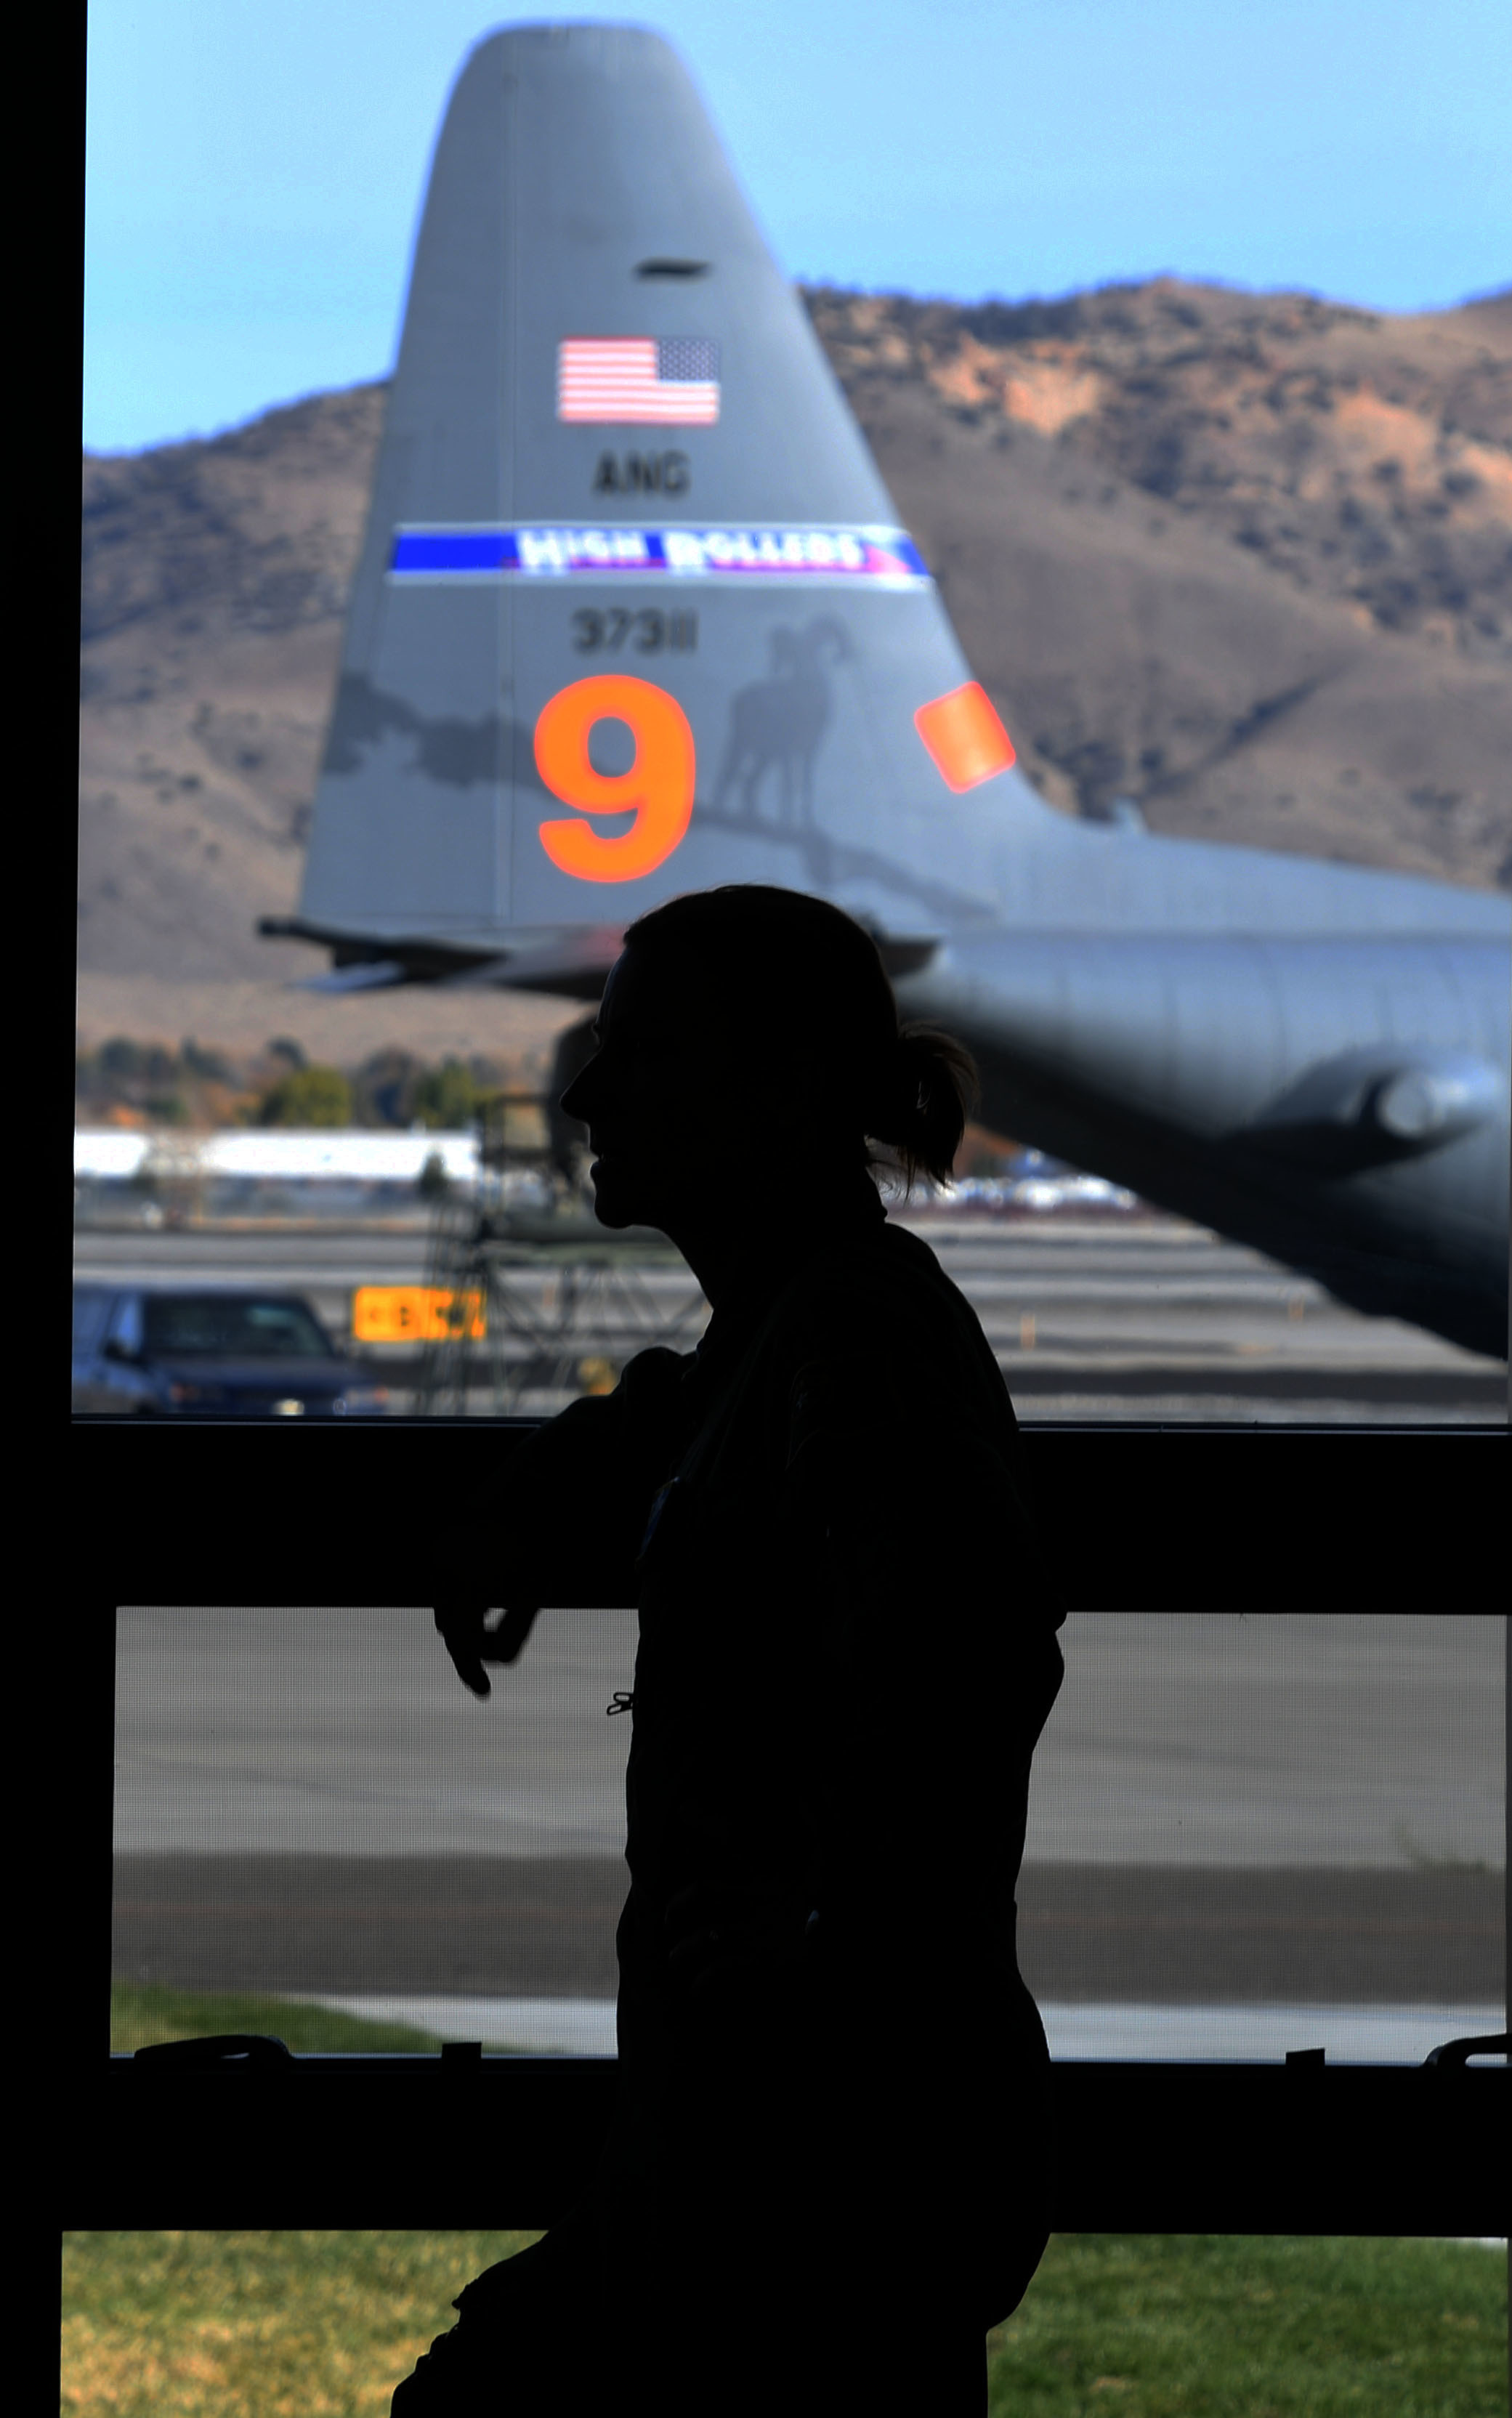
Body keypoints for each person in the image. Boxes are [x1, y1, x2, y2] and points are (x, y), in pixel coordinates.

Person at [398, 884, 1064, 2412]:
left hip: (820, 2129)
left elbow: (967, 1660)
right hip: (801, 2122)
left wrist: (824, 1939)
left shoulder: (854, 1340)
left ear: (779, 1092)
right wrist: (541, 1494)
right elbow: (683, 1409)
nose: (587, 1092)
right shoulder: (808, 1323)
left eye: (645, 1054)